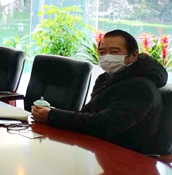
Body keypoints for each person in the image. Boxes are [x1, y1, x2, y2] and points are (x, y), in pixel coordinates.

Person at [31, 29, 168, 154]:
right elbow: (89, 114)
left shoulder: (140, 87)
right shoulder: (106, 78)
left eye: (115, 52)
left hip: (128, 159)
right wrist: (52, 114)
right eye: (102, 52)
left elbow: (104, 124)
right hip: (99, 148)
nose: (107, 57)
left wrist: (52, 115)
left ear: (133, 55)